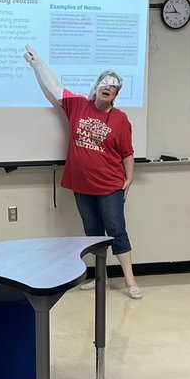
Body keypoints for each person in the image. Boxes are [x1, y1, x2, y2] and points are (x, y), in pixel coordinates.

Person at [24, 45, 142, 298]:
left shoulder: (120, 120)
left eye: (113, 87)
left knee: (116, 230)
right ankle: (101, 278)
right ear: (96, 87)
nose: (108, 87)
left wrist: (130, 178)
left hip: (110, 186)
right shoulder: (78, 105)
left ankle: (130, 280)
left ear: (116, 95)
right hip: (82, 184)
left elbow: (127, 153)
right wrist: (37, 64)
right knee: (93, 234)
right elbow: (54, 87)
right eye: (104, 83)